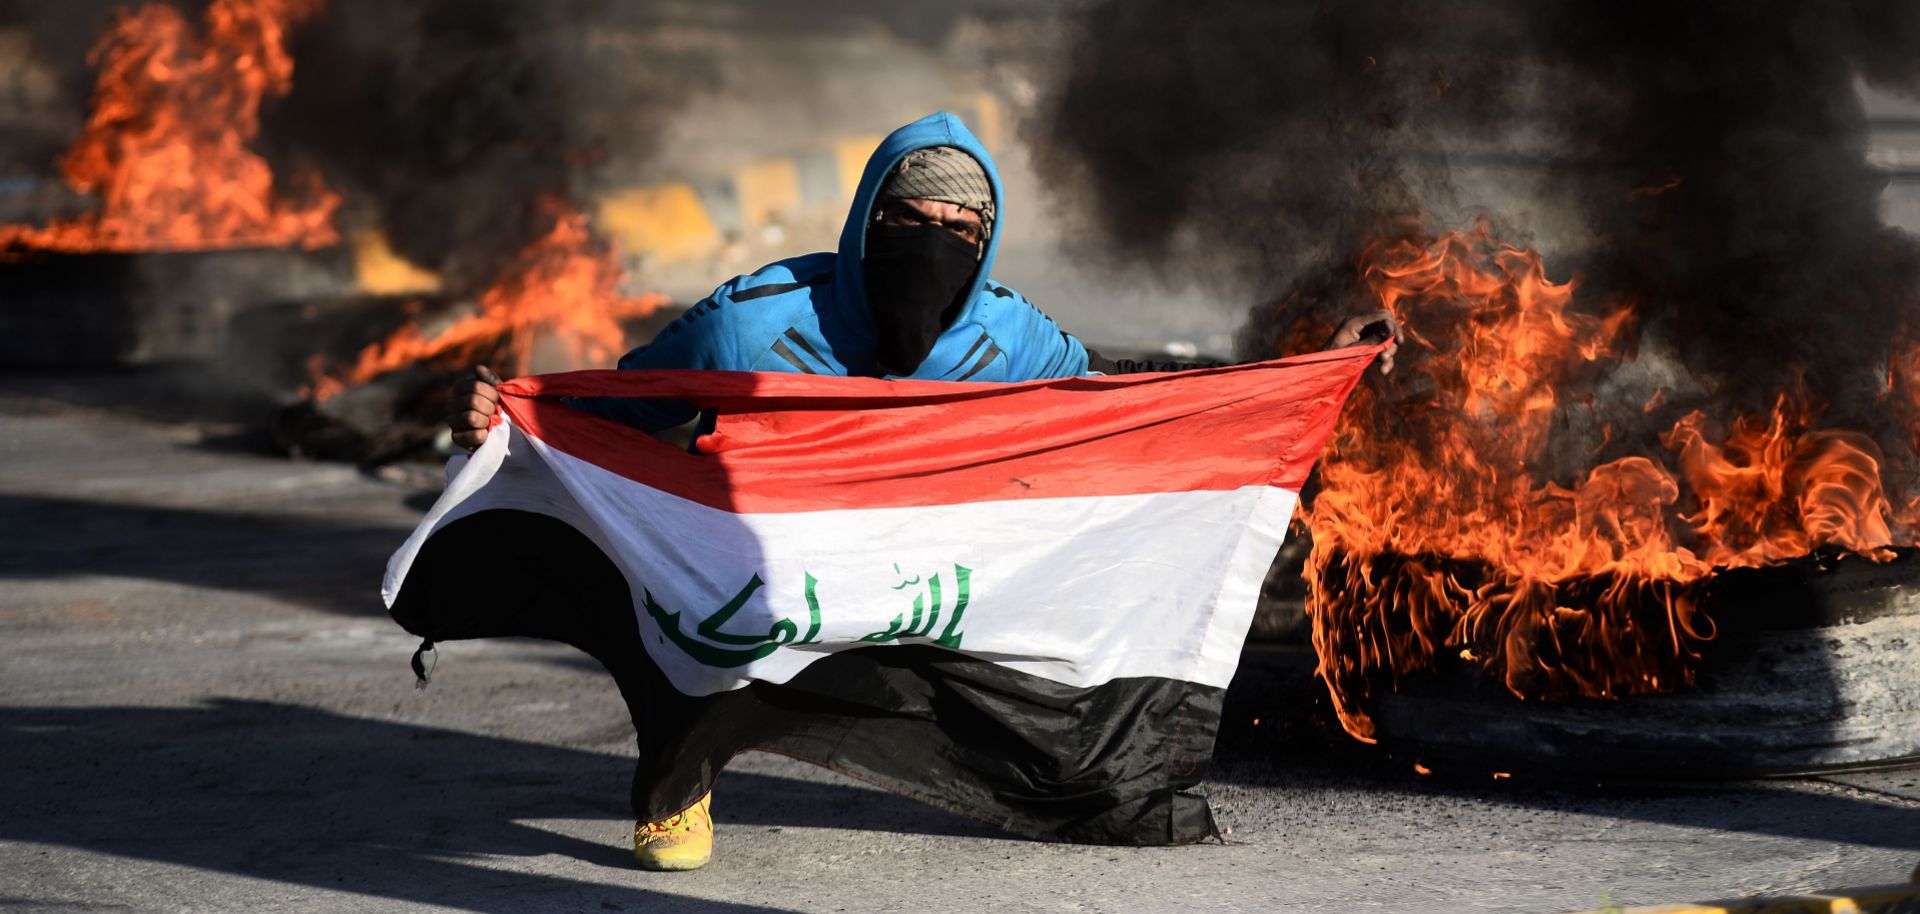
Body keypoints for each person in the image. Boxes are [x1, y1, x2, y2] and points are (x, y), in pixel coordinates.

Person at [436, 111, 1398, 870]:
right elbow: (623, 415)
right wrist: (507, 420)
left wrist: (1307, 372)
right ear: (866, 221)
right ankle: (677, 779)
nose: (932, 243)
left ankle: (1072, 786)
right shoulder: (753, 322)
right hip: (771, 563)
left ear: (985, 245)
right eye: (909, 221)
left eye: (959, 230)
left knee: (1036, 671)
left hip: (916, 573)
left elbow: (1115, 400)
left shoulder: (1005, 337)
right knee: (694, 618)